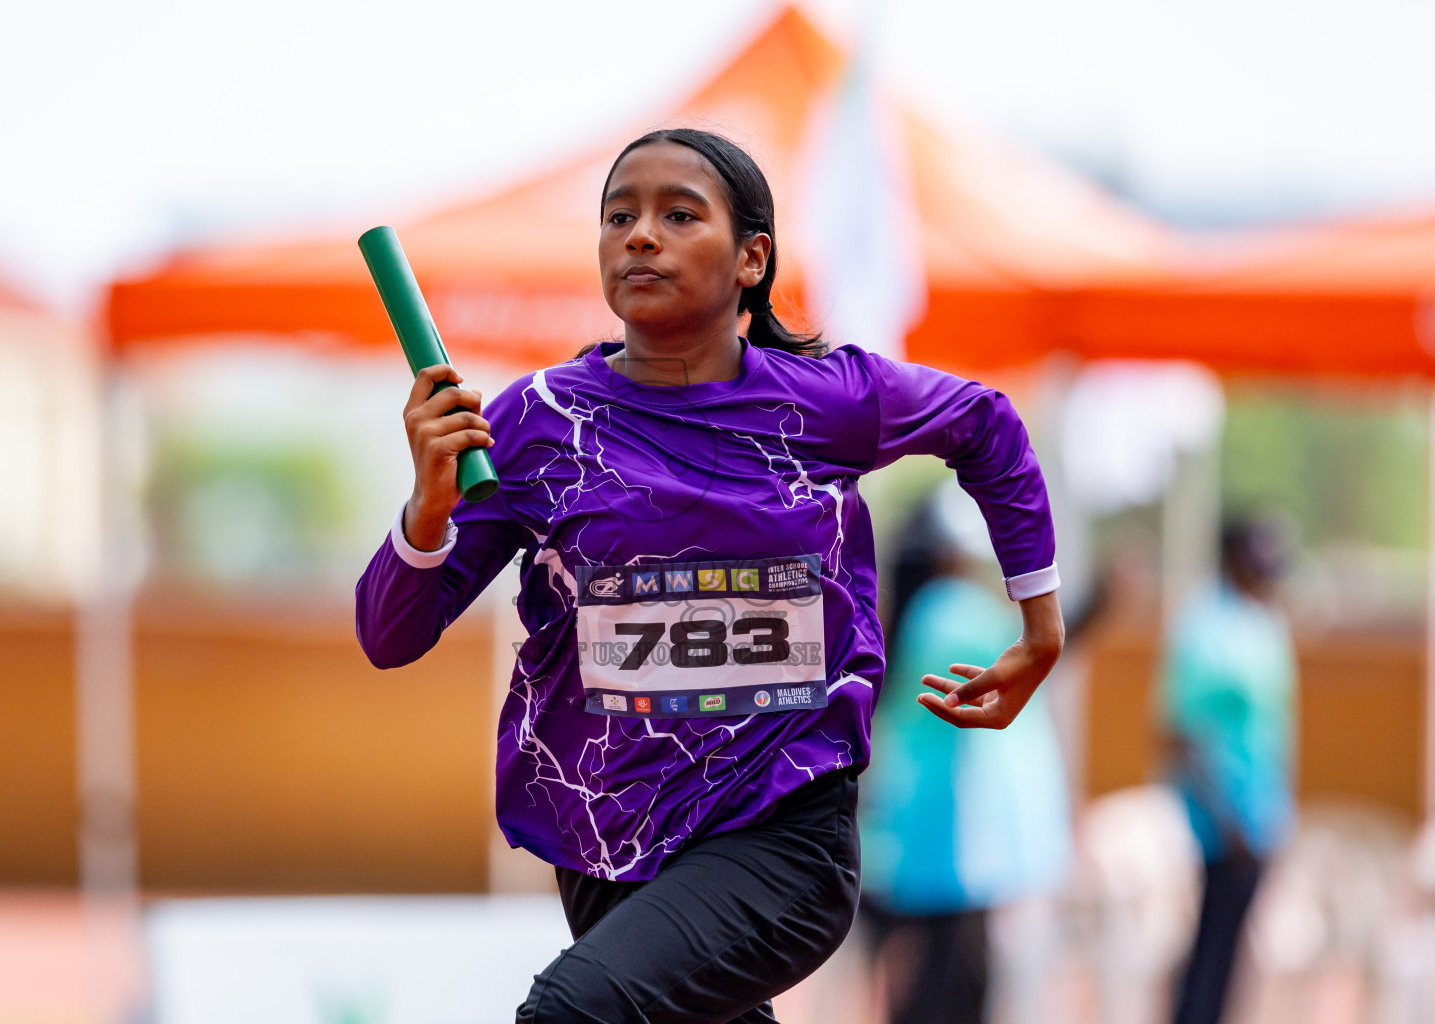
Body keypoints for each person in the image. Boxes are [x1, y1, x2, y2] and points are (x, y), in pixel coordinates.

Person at [355, 127, 1065, 1024]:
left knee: (570, 1015)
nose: (639, 236)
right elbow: (389, 635)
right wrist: (426, 511)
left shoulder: (827, 403)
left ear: (750, 259)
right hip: (605, 841)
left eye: (678, 215)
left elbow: (988, 426)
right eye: (620, 217)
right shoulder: (536, 425)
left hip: (782, 832)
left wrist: (1040, 626)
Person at [860, 497, 1073, 1024]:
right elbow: (1028, 649)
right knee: (953, 991)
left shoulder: (905, 616)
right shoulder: (949, 610)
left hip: (905, 838)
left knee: (916, 989)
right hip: (949, 850)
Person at [1161, 515, 1297, 1024]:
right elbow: (1181, 736)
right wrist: (1227, 817)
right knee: (1209, 954)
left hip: (1260, 820)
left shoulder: (1264, 621)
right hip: (1221, 826)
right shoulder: (1204, 626)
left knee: (1233, 955)